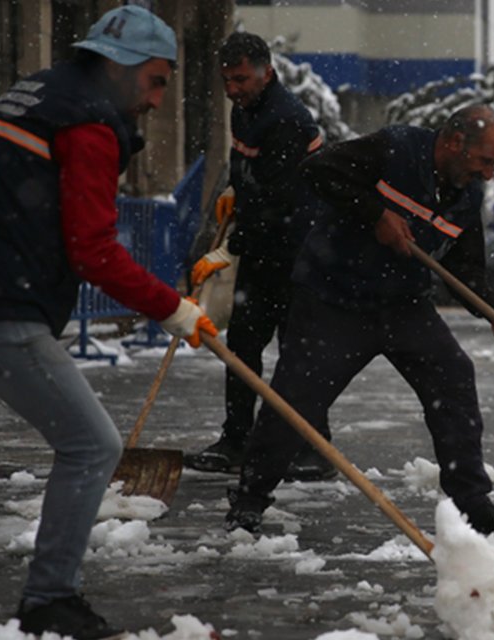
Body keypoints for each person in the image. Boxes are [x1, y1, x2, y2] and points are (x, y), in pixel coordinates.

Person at [0, 7, 216, 639]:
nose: (158, 99)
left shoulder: (34, 92)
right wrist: (172, 308)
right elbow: (93, 248)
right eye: (157, 80)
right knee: (93, 446)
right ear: (120, 66)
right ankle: (50, 600)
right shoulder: (88, 122)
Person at [224, 104, 494, 537]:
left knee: (453, 375)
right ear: (454, 142)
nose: (488, 175)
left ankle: (472, 502)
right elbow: (317, 170)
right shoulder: (395, 148)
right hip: (334, 298)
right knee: (296, 399)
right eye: (485, 161)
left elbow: (466, 272)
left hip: (403, 305)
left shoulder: (466, 196)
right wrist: (375, 213)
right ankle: (251, 497)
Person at [183, 32, 335, 481]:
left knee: (297, 352)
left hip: (298, 252)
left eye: (241, 79)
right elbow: (246, 168)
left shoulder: (285, 118)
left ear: (266, 72)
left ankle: (314, 446)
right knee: (243, 347)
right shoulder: (244, 110)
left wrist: (228, 249)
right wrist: (233, 190)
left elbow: (280, 200)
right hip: (265, 251)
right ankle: (236, 439)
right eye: (227, 80)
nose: (233, 88)